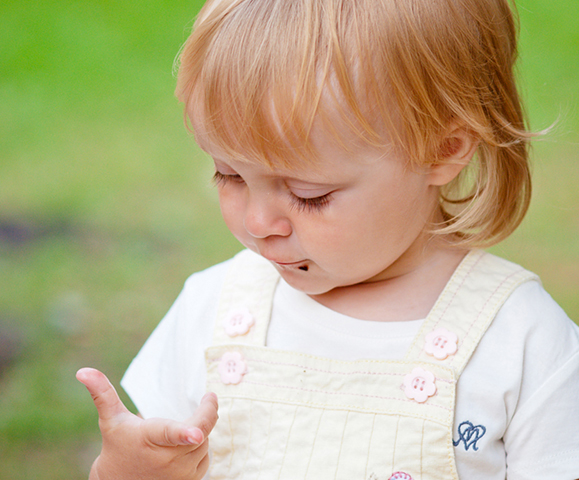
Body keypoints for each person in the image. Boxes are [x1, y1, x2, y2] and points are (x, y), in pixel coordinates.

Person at [76, 0, 579, 478]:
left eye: (308, 194)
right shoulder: (214, 310)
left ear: (442, 151)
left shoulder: (521, 341)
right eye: (229, 175)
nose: (257, 221)